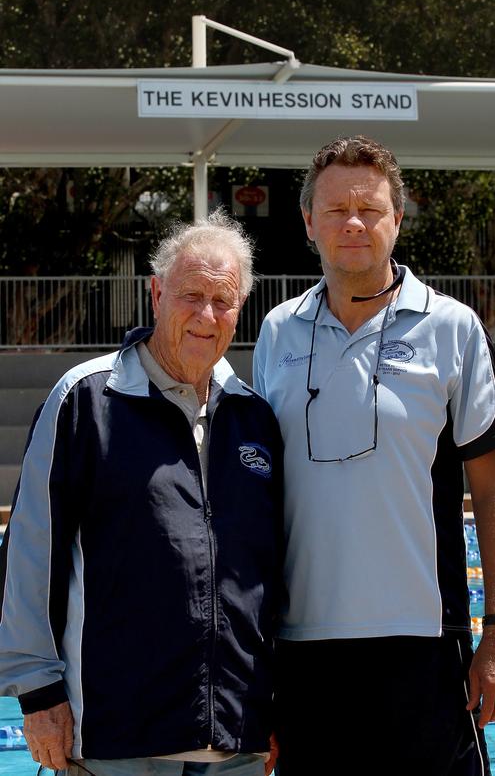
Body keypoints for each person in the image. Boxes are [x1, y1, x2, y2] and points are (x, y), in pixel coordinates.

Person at [253, 136, 495, 776]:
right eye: (336, 208)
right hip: (303, 649)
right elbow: (257, 498)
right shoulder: (276, 331)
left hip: (425, 645)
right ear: (308, 223)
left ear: (396, 221)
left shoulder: (451, 327)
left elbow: (492, 488)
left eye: (370, 209)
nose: (353, 222)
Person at [0, 209, 283, 776]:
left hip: (235, 741)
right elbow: (32, 552)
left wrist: (276, 704)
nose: (206, 315)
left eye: (222, 301)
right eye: (190, 295)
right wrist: (38, 693)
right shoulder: (86, 400)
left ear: (239, 311)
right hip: (117, 736)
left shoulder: (255, 419)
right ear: (156, 294)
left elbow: (271, 576)